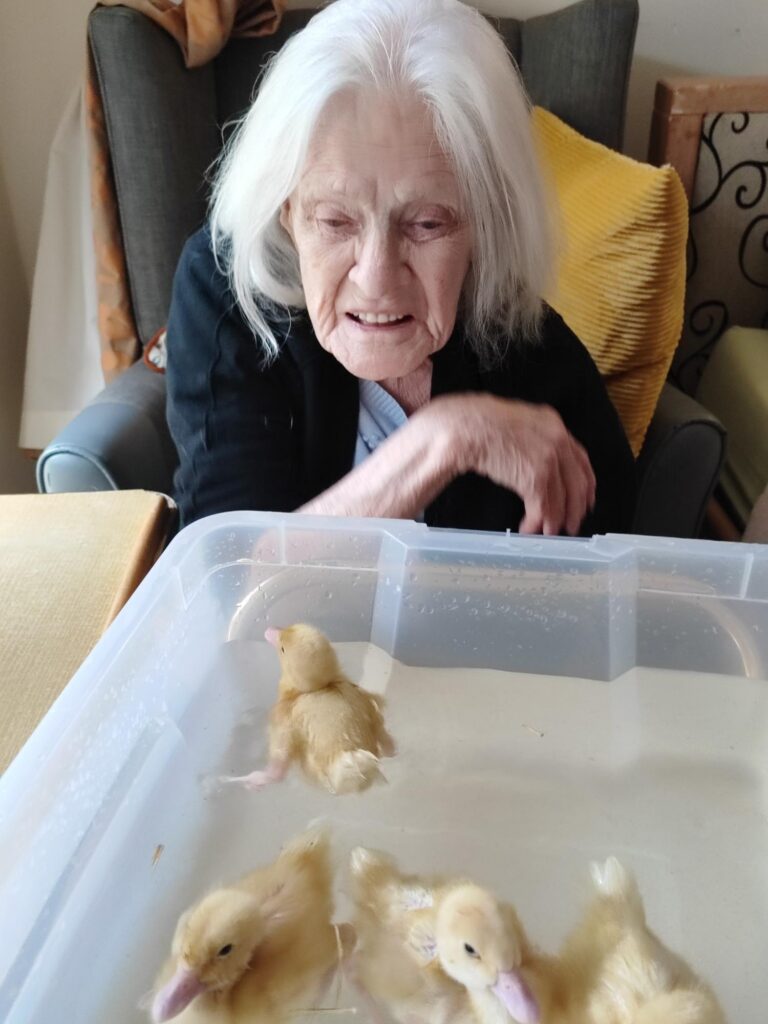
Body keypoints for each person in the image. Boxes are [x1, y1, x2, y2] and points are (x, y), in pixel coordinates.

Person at [166, 0, 636, 535]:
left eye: (427, 224)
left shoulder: (526, 346)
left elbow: (610, 555)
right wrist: (447, 439)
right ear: (286, 212)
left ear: (486, 225)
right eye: (336, 221)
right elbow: (228, 567)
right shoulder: (227, 293)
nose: (376, 279)